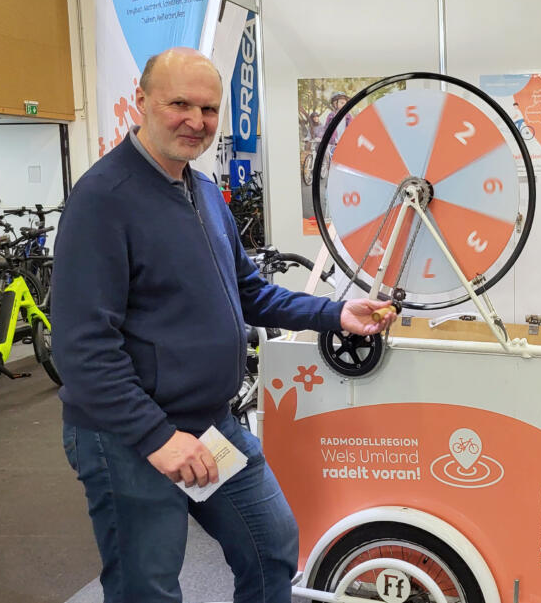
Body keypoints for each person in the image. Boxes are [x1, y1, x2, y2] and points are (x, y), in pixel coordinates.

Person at [52, 47, 397, 603]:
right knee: (149, 588)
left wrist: (334, 313)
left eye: (209, 109)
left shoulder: (202, 191)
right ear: (142, 102)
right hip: (128, 437)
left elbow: (248, 292)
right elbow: (83, 348)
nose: (197, 121)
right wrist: (156, 437)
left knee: (271, 546)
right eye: (179, 104)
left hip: (211, 424)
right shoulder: (102, 200)